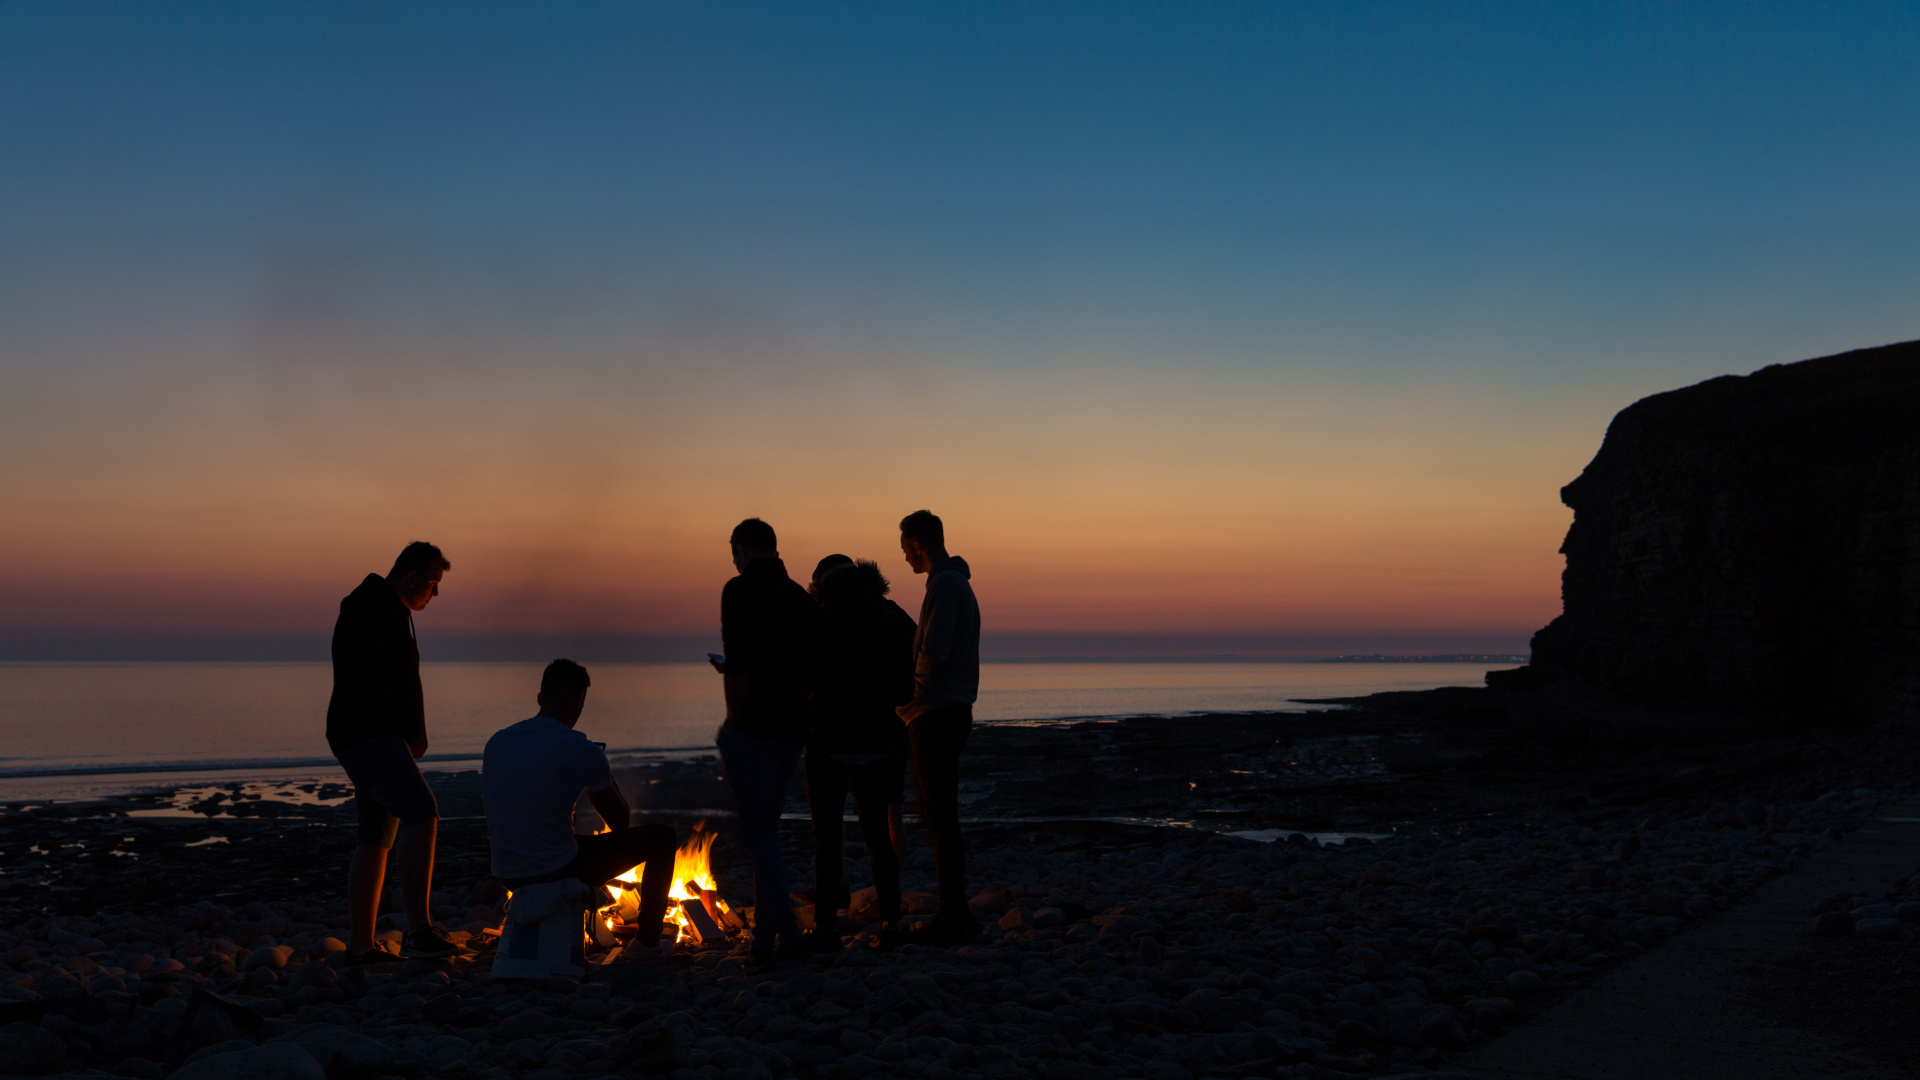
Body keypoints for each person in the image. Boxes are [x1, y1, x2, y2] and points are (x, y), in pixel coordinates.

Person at [482, 660, 680, 950]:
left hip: (506, 871)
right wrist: (604, 775)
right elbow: (619, 821)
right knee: (663, 838)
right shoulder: (582, 749)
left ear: (540, 698)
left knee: (561, 838)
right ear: (577, 702)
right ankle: (647, 945)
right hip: (557, 869)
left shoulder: (497, 741)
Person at [325, 541, 456, 962]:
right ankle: (418, 930)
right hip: (369, 735)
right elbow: (380, 681)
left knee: (376, 834)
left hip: (369, 735)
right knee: (422, 812)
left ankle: (361, 946)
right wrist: (406, 734)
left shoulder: (384, 608)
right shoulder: (372, 609)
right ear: (413, 577)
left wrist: (410, 734)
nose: (435, 595)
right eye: (432, 584)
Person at [709, 518, 816, 967]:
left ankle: (786, 935)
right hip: (794, 729)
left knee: (758, 835)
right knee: (765, 832)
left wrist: (733, 723)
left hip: (754, 726)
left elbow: (739, 664)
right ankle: (765, 935)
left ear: (742, 549)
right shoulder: (799, 597)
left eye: (733, 551)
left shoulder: (738, 590)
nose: (733, 559)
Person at [804, 559, 917, 952]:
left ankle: (825, 926)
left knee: (827, 837)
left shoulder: (818, 623)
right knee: (877, 838)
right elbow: (905, 690)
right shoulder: (891, 621)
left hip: (827, 743)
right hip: (876, 743)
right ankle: (890, 921)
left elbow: (803, 679)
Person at [897, 509, 983, 945]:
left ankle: (953, 913)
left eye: (905, 550)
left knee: (940, 817)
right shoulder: (953, 584)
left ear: (917, 545)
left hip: (937, 713)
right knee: (940, 815)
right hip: (946, 710)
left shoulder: (946, 586)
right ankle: (955, 910)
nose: (905, 560)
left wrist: (910, 696)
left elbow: (934, 650)